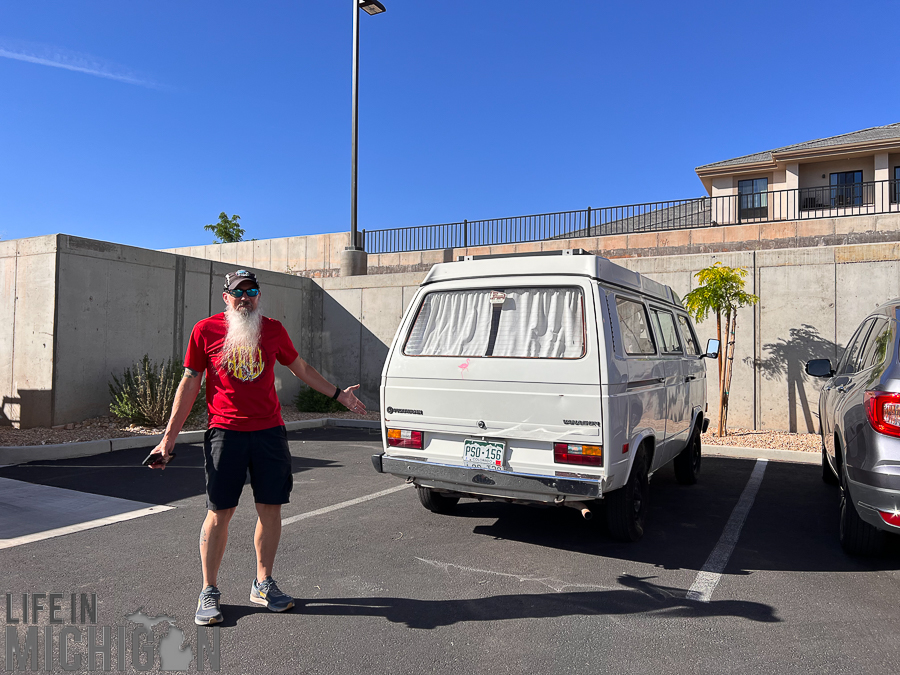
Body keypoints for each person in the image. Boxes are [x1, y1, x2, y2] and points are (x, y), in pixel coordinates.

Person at [146, 269, 366, 626]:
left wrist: (338, 394)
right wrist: (168, 438)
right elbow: (189, 384)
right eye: (238, 292)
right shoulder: (205, 331)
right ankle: (209, 590)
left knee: (271, 509)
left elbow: (302, 368)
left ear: (259, 295)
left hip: (269, 433)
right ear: (225, 297)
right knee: (220, 513)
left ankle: (263, 583)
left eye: (252, 291)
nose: (245, 297)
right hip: (225, 434)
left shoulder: (273, 330)